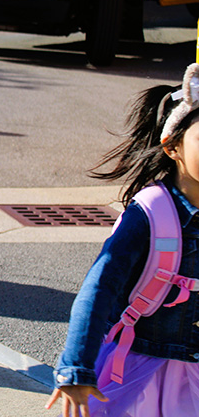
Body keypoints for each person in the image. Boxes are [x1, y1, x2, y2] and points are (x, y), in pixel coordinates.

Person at [47, 63, 199, 417]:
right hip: (135, 368)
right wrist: (76, 368)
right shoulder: (152, 213)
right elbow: (99, 289)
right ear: (172, 146)